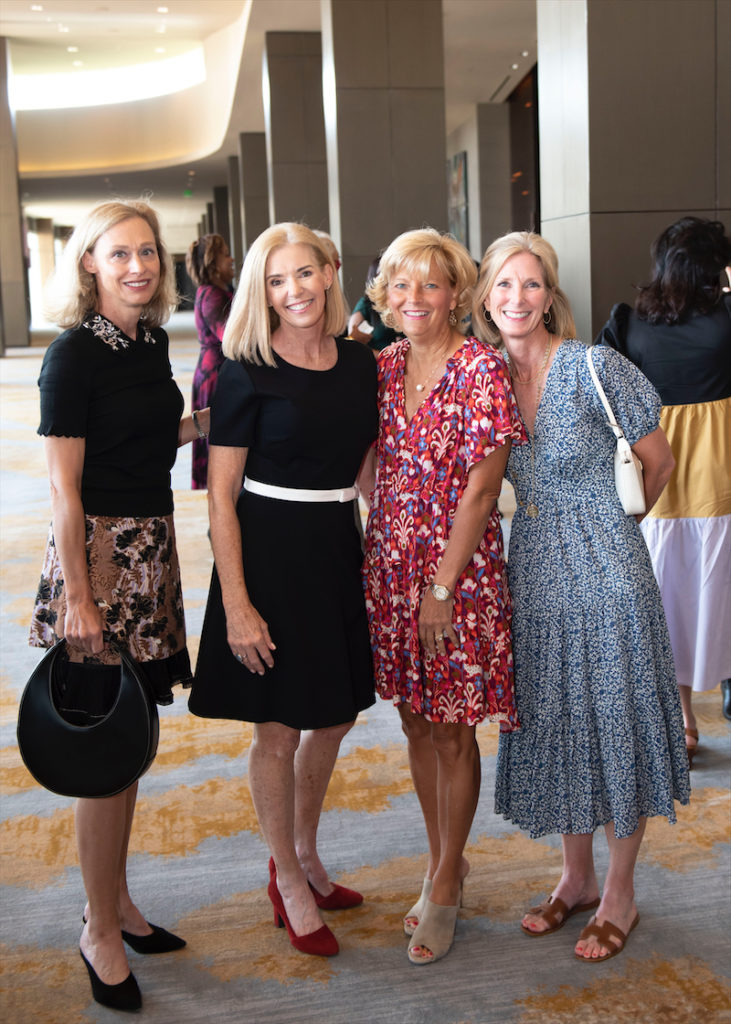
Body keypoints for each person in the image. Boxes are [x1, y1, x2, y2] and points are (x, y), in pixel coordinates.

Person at [475, 231, 690, 964]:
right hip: (531, 568)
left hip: (606, 572)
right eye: (503, 285)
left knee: (615, 719)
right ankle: (573, 877)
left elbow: (658, 460)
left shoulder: (594, 365)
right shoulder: (485, 378)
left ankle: (619, 894)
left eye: (530, 284)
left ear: (550, 295)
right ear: (484, 297)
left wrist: (610, 528)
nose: (516, 299)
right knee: (560, 718)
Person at [29, 200, 209, 1012]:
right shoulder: (74, 355)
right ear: (90, 264)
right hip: (98, 561)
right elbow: (64, 488)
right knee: (102, 760)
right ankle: (98, 927)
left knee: (132, 737)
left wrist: (207, 422)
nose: (137, 266)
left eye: (147, 252)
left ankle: (120, 902)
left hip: (152, 554)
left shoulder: (142, 342)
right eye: (119, 254)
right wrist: (79, 599)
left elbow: (141, 438)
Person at [188, 223, 378, 958]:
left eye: (304, 273)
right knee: (280, 727)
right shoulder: (243, 370)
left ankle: (298, 854)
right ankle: (290, 881)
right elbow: (220, 496)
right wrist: (236, 603)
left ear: (329, 274)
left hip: (336, 548)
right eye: (275, 279)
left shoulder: (361, 364)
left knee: (334, 717)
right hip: (266, 551)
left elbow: (362, 467)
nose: (292, 290)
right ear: (258, 292)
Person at [362, 228, 525, 966]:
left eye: (429, 284)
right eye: (400, 285)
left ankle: (447, 888)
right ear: (384, 296)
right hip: (389, 570)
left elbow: (483, 490)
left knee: (453, 728)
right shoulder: (383, 363)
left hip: (452, 575)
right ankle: (443, 862)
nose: (414, 298)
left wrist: (439, 586)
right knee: (414, 723)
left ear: (456, 293)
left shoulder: (481, 368)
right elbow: (367, 460)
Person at [596, 218, 731, 749]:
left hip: (655, 483)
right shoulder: (725, 317)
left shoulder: (629, 322)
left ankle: (683, 721)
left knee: (667, 600)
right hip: (720, 477)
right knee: (718, 593)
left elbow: (603, 393)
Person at [186, 233, 235, 489]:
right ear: (213, 262)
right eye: (226, 254)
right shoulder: (211, 294)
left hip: (217, 369)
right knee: (221, 448)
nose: (232, 259)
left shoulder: (218, 291)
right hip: (216, 374)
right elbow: (230, 337)